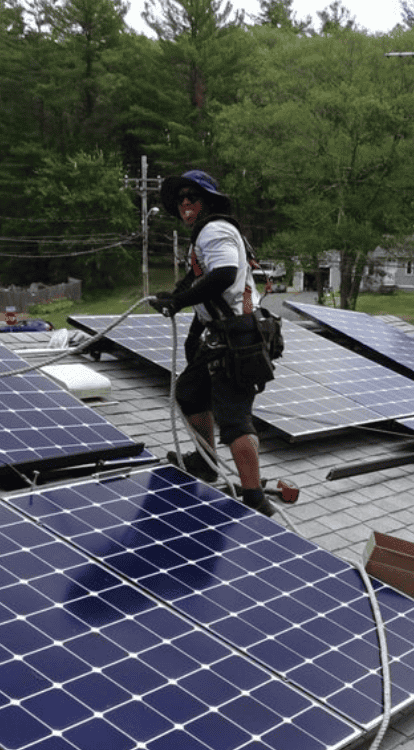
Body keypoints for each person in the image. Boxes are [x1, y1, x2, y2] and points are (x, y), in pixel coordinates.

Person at [149, 169, 275, 516]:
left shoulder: (215, 229)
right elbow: (199, 278)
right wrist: (174, 296)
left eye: (193, 196)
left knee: (234, 417)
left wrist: (179, 302)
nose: (185, 203)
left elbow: (224, 275)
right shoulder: (206, 235)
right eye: (181, 199)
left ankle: (255, 499)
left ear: (209, 202)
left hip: (238, 338)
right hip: (221, 336)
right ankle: (205, 463)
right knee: (190, 391)